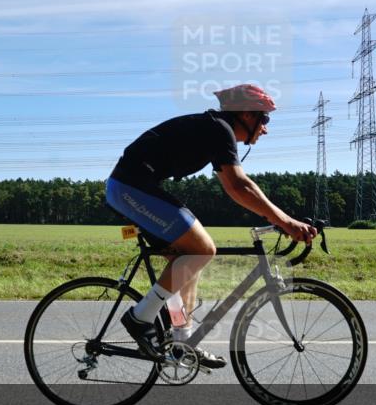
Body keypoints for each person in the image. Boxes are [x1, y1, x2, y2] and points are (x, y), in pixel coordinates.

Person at [105, 83, 317, 369]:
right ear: (245, 113)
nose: (265, 127)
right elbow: (239, 186)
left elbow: (237, 188)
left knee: (186, 262)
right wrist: (287, 222)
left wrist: (279, 219)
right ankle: (139, 317)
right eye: (264, 118)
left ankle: (183, 344)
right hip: (129, 187)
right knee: (203, 249)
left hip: (135, 186)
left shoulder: (217, 129)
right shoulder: (220, 129)